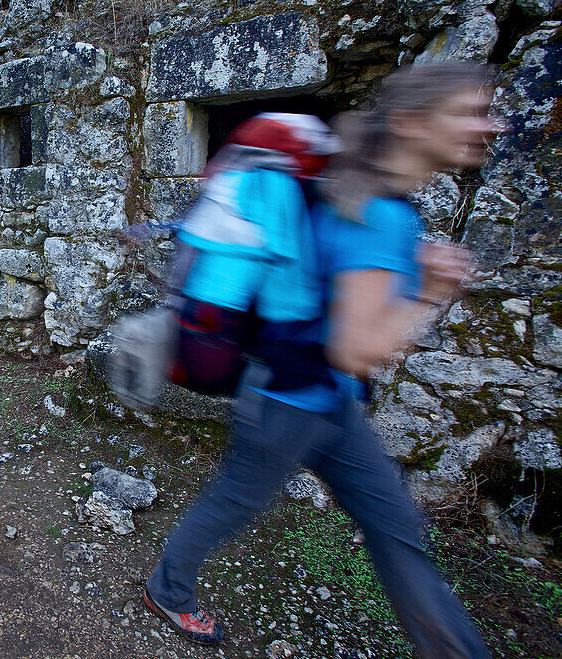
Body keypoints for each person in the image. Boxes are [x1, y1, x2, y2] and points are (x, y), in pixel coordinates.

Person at [142, 62, 500, 659]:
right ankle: (167, 586)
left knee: (395, 531)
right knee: (238, 500)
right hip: (288, 398)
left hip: (327, 397)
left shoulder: (357, 185)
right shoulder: (379, 212)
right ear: (412, 123)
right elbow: (356, 347)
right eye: (468, 112)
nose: (489, 126)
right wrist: (430, 290)